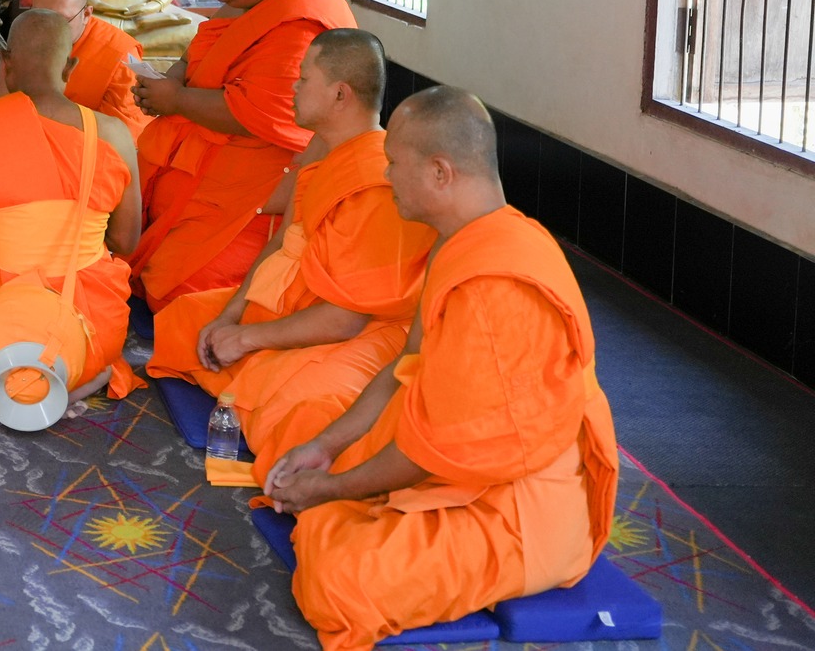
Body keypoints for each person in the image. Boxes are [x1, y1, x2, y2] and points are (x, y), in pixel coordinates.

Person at [265, 87, 618, 651]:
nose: (386, 175)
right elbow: (408, 364)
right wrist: (326, 450)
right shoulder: (464, 242)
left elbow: (441, 449)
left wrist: (330, 489)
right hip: (453, 457)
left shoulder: (495, 285)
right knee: (306, 441)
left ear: (439, 173)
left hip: (519, 513)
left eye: (394, 164)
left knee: (337, 584)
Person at [145, 29, 434, 483]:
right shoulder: (325, 150)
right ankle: (255, 367)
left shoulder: (377, 184)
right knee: (187, 320)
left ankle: (267, 385)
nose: (293, 89)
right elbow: (279, 245)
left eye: (303, 79)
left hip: (367, 331)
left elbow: (346, 319)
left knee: (301, 408)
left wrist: (246, 340)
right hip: (296, 303)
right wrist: (232, 314)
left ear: (339, 94)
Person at [125, 0, 355, 312]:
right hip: (201, 167)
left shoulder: (304, 19)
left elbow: (264, 115)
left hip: (258, 188)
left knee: (180, 294)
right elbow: (196, 54)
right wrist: (169, 82)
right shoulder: (244, 1)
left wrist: (175, 99)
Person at [0, 9, 144, 414]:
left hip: (2, 319)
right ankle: (79, 375)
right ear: (70, 65)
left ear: (5, 62)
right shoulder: (113, 134)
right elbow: (127, 241)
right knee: (91, 338)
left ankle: (4, 386)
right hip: (91, 324)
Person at [30, 0, 150, 137]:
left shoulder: (120, 55)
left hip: (89, 154)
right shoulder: (26, 36)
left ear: (86, 14)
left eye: (61, 20)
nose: (47, 28)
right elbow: (6, 109)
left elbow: (122, 139)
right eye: (40, 16)